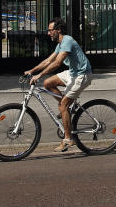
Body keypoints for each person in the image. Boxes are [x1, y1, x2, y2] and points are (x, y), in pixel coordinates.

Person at [23, 18, 92, 151]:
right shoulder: (60, 44)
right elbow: (48, 60)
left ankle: (68, 139)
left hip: (82, 75)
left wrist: (39, 75)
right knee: (48, 83)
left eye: (50, 30)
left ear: (58, 30)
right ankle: (65, 108)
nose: (48, 33)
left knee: (63, 105)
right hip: (72, 73)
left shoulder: (67, 41)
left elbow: (57, 63)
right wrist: (32, 71)